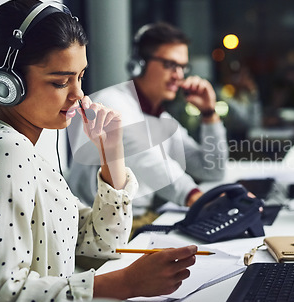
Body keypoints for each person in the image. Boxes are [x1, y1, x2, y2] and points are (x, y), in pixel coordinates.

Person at [0, 0, 197, 302]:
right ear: (8, 84)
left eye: (80, 77)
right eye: (60, 82)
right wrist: (127, 283)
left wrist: (112, 152)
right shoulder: (1, 154)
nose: (78, 95)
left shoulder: (27, 151)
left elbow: (103, 244)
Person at [67, 22, 228, 230]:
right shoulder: (112, 101)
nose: (179, 75)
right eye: (170, 64)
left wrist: (209, 114)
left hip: (134, 220)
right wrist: (194, 196)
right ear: (139, 64)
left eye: (182, 67)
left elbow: (212, 169)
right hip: (94, 227)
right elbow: (145, 154)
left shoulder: (163, 119)